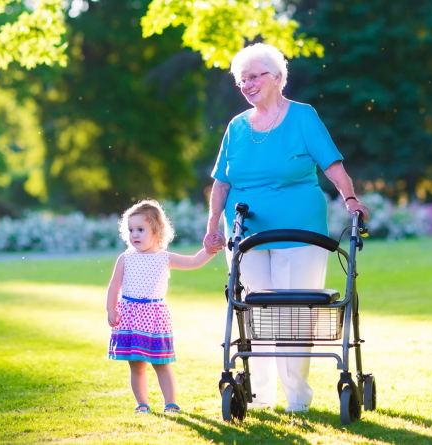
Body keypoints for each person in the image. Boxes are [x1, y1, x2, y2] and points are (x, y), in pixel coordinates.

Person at [203, 43, 370, 413]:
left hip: (300, 231)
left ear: (277, 77)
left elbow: (332, 164)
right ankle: (260, 395)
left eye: (255, 76)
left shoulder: (303, 117)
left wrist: (350, 200)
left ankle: (297, 398)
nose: (247, 84)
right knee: (254, 313)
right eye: (241, 79)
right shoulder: (236, 127)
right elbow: (222, 182)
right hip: (247, 235)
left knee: (293, 313)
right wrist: (212, 225)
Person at [107, 199, 218, 414]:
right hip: (129, 315)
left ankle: (170, 403)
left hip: (154, 316)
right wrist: (111, 309)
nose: (135, 235)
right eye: (131, 230)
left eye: (141, 229)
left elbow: (194, 261)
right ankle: (142, 403)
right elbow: (114, 286)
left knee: (161, 363)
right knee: (136, 364)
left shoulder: (164, 258)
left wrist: (211, 250)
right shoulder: (125, 258)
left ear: (157, 231)